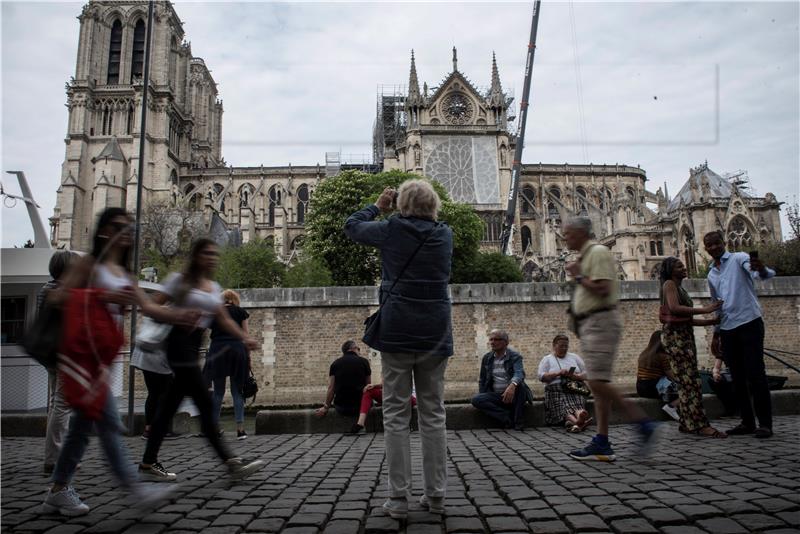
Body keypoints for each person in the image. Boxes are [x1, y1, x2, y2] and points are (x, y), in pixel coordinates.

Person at [41, 208, 193, 516]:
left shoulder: (124, 273)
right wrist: (101, 296)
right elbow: (57, 298)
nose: (126, 232)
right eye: (119, 227)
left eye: (129, 228)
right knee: (109, 423)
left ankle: (58, 489)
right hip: (79, 356)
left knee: (82, 428)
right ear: (104, 232)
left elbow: (149, 307)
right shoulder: (88, 264)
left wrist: (180, 314)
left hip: (100, 360)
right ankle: (135, 488)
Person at [344, 180, 453, 519]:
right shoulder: (445, 234)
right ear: (433, 205)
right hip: (435, 328)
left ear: (402, 204)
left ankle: (398, 498)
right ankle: (435, 496)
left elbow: (352, 227)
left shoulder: (392, 229)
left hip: (398, 326)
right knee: (434, 413)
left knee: (395, 413)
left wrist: (378, 205)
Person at [139, 238, 266, 482]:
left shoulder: (213, 286)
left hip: (193, 346)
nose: (212, 258)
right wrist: (177, 314)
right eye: (207, 253)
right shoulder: (179, 280)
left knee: (169, 408)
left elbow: (224, 320)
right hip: (177, 345)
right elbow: (150, 307)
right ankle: (230, 462)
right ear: (196, 255)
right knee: (204, 403)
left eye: (214, 254)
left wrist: (244, 338)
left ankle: (147, 463)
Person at [563, 216, 658, 462]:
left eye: (568, 233)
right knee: (599, 385)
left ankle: (642, 422)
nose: (564, 238)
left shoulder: (598, 252)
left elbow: (603, 288)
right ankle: (602, 441)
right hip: (591, 325)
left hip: (600, 322)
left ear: (581, 233)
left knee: (597, 382)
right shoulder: (587, 255)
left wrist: (578, 276)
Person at [704, 230, 776, 438]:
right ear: (706, 248)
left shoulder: (740, 258)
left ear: (723, 242)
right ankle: (747, 422)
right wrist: (716, 334)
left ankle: (765, 424)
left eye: (716, 243)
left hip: (749, 323)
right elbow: (717, 305)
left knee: (756, 375)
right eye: (709, 245)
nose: (714, 247)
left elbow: (760, 275)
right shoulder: (711, 274)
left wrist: (761, 269)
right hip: (728, 328)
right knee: (737, 378)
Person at [659, 257, 726, 438]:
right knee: (691, 383)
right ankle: (699, 424)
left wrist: (711, 321)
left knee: (688, 382)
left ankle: (687, 423)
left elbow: (684, 319)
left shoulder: (678, 287)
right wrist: (706, 310)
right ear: (671, 270)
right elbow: (674, 309)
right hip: (677, 340)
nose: (684, 267)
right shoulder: (669, 285)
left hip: (683, 337)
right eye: (679, 266)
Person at [38, 250, 77, 475]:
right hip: (64, 352)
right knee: (61, 405)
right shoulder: (62, 291)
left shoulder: (46, 288)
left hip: (50, 353)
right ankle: (55, 458)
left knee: (56, 403)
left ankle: (53, 455)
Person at [205, 289, 251, 440]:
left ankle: (214, 428)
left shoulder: (216, 313)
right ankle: (240, 429)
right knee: (237, 392)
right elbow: (245, 335)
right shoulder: (240, 312)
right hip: (237, 351)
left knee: (218, 392)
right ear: (234, 299)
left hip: (218, 351)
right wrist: (248, 357)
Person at [472, 330, 534, 431]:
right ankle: (506, 417)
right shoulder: (487, 358)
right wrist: (483, 396)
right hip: (497, 395)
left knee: (521, 387)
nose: (492, 342)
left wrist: (512, 385)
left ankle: (518, 421)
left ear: (506, 342)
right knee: (476, 399)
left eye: (496, 339)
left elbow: (519, 373)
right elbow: (482, 379)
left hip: (514, 395)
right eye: (491, 339)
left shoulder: (515, 356)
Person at [538, 334, 591, 432]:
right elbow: (541, 377)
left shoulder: (574, 357)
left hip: (573, 388)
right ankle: (578, 422)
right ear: (554, 345)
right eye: (561, 346)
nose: (564, 348)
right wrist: (558, 373)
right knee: (562, 404)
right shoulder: (547, 359)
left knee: (576, 402)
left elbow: (588, 373)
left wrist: (577, 376)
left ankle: (578, 417)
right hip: (555, 391)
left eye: (566, 346)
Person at [315, 340, 372, 418]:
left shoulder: (335, 364)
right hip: (361, 406)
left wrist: (326, 407)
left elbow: (331, 388)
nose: (359, 351)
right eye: (358, 349)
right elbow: (368, 385)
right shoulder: (364, 361)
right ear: (353, 348)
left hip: (341, 408)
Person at [636, 330, 680, 421]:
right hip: (652, 388)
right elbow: (670, 375)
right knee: (686, 390)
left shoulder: (644, 353)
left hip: (640, 387)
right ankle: (671, 406)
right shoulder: (662, 356)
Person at [348, 380, 417, 434]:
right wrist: (375, 386)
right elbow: (387, 384)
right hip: (394, 396)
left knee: (371, 391)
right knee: (369, 390)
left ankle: (361, 423)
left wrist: (375, 385)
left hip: (401, 396)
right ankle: (360, 423)